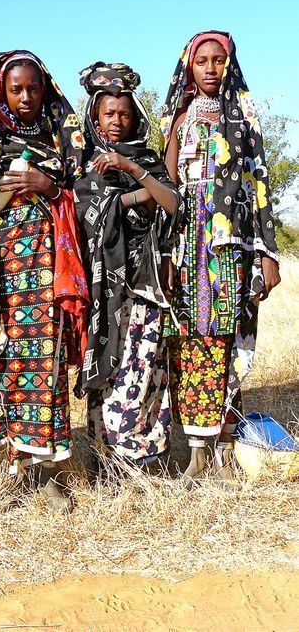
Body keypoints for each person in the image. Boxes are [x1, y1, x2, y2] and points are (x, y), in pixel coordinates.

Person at [0, 50, 88, 510]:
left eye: (33, 88)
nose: (25, 97)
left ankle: (48, 472)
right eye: (15, 89)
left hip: (52, 268)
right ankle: (15, 465)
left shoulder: (62, 138)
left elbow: (85, 190)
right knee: (10, 363)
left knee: (48, 367)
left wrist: (48, 186)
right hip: (8, 269)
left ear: (45, 89)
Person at [160, 31, 280, 481]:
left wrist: (267, 252)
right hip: (189, 244)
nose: (211, 68)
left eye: (219, 59)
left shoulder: (244, 115)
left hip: (232, 247)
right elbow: (168, 187)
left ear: (230, 64)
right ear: (189, 66)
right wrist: (168, 252)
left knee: (228, 341)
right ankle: (197, 451)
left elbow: (259, 181)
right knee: (192, 343)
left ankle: (227, 443)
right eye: (202, 60)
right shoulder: (179, 119)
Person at [73, 62, 182, 467]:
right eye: (108, 113)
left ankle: (144, 459)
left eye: (124, 113)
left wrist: (131, 169)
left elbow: (173, 202)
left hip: (144, 282)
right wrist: (137, 198)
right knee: (109, 371)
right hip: (102, 289)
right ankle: (107, 462)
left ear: (135, 116)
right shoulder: (82, 161)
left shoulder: (146, 160)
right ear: (94, 117)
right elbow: (83, 209)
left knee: (143, 369)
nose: (116, 121)